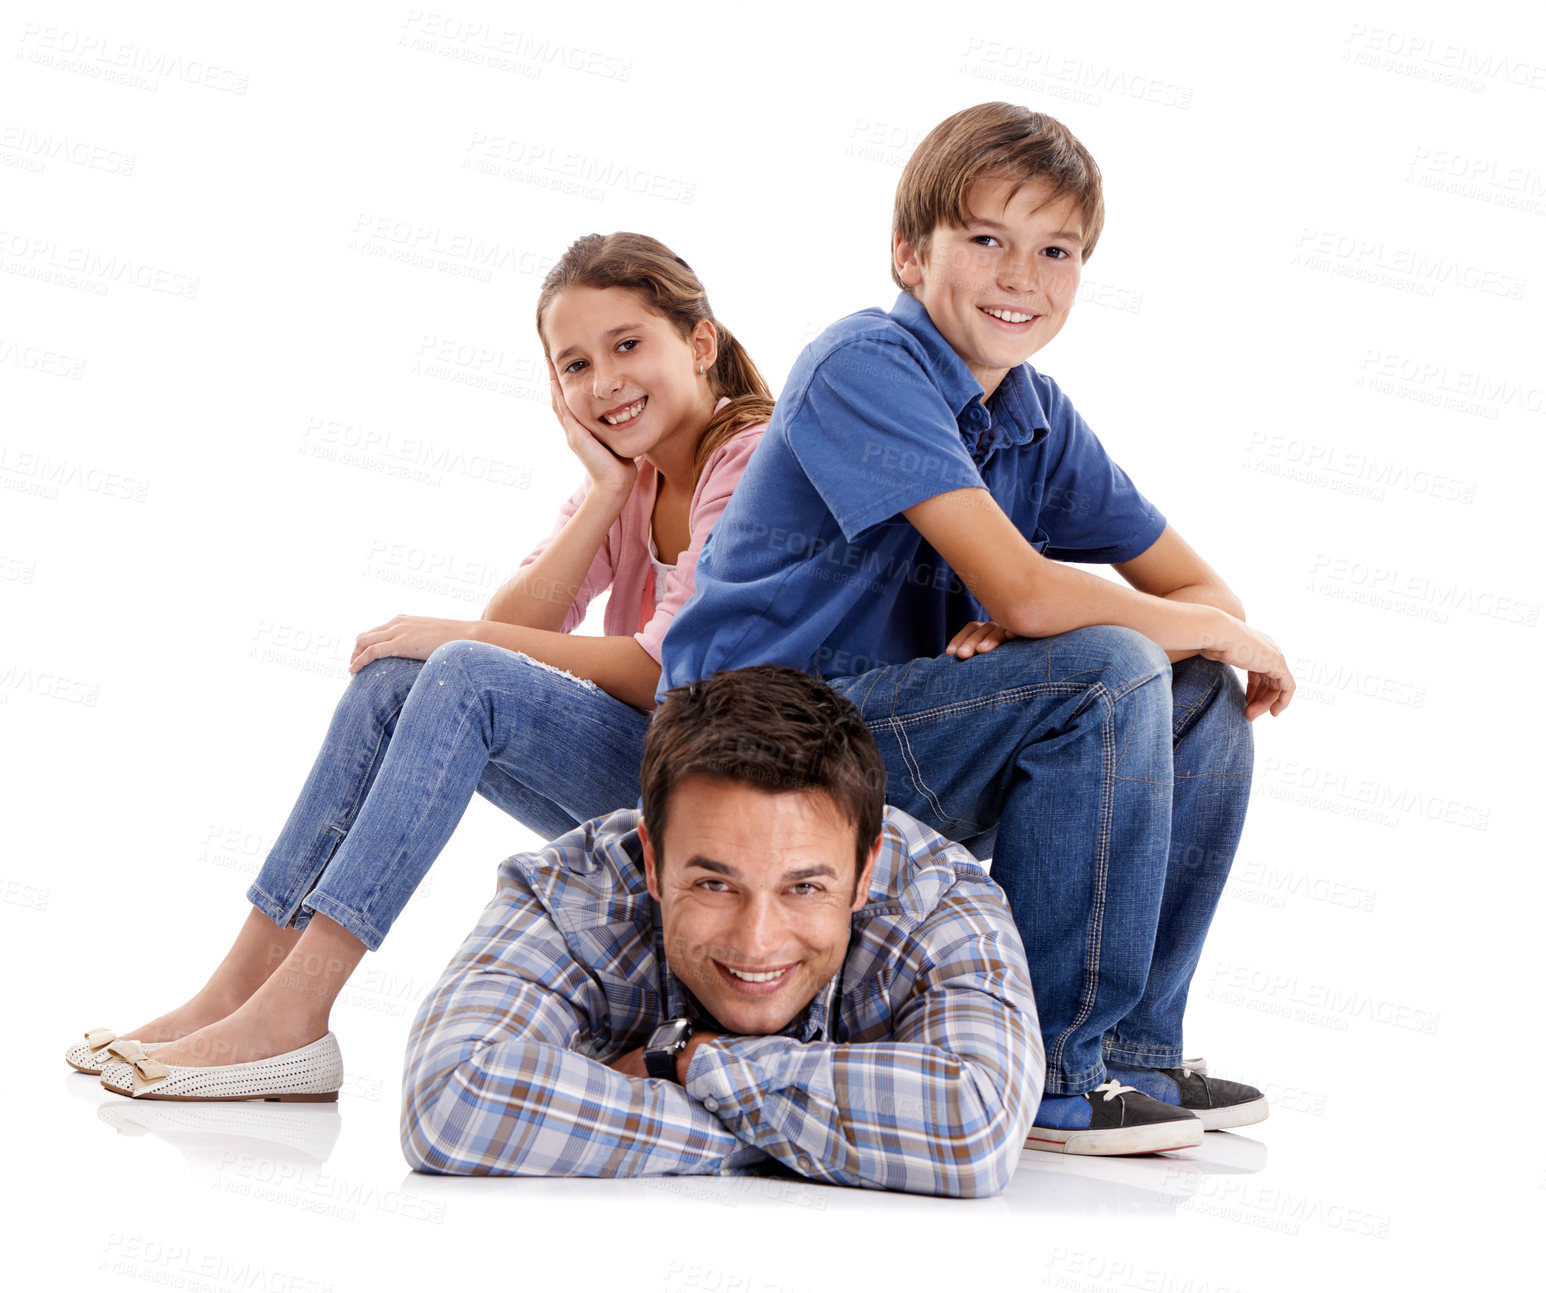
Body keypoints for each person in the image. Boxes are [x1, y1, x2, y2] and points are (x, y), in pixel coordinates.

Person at [659, 103, 1294, 1154]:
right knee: (1110, 667)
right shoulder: (864, 364)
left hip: (893, 724)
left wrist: (1055, 624)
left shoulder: (1038, 417)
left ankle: (1137, 1051)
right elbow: (1045, 599)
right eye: (986, 240)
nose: (1020, 277)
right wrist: (1045, 615)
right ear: (911, 255)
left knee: (1194, 688)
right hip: (757, 738)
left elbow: (1205, 603)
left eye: (1056, 251)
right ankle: (1049, 1070)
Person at [82, 232, 774, 1100]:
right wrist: (601, 492)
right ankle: (239, 991)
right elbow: (512, 624)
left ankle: (294, 1017)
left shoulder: (749, 458)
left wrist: (455, 638)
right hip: (659, 771)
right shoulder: (632, 480)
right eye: (573, 365)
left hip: (730, 794)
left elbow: (654, 670)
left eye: (628, 345)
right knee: (399, 681)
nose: (604, 382)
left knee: (458, 668)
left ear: (699, 343)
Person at [399, 665, 1040, 1196]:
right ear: (651, 859)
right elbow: (451, 1102)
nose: (757, 941)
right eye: (714, 884)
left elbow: (974, 1127)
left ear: (865, 870)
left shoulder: (937, 899)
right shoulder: (573, 893)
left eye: (805, 887)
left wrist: (685, 1058)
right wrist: (811, 1137)